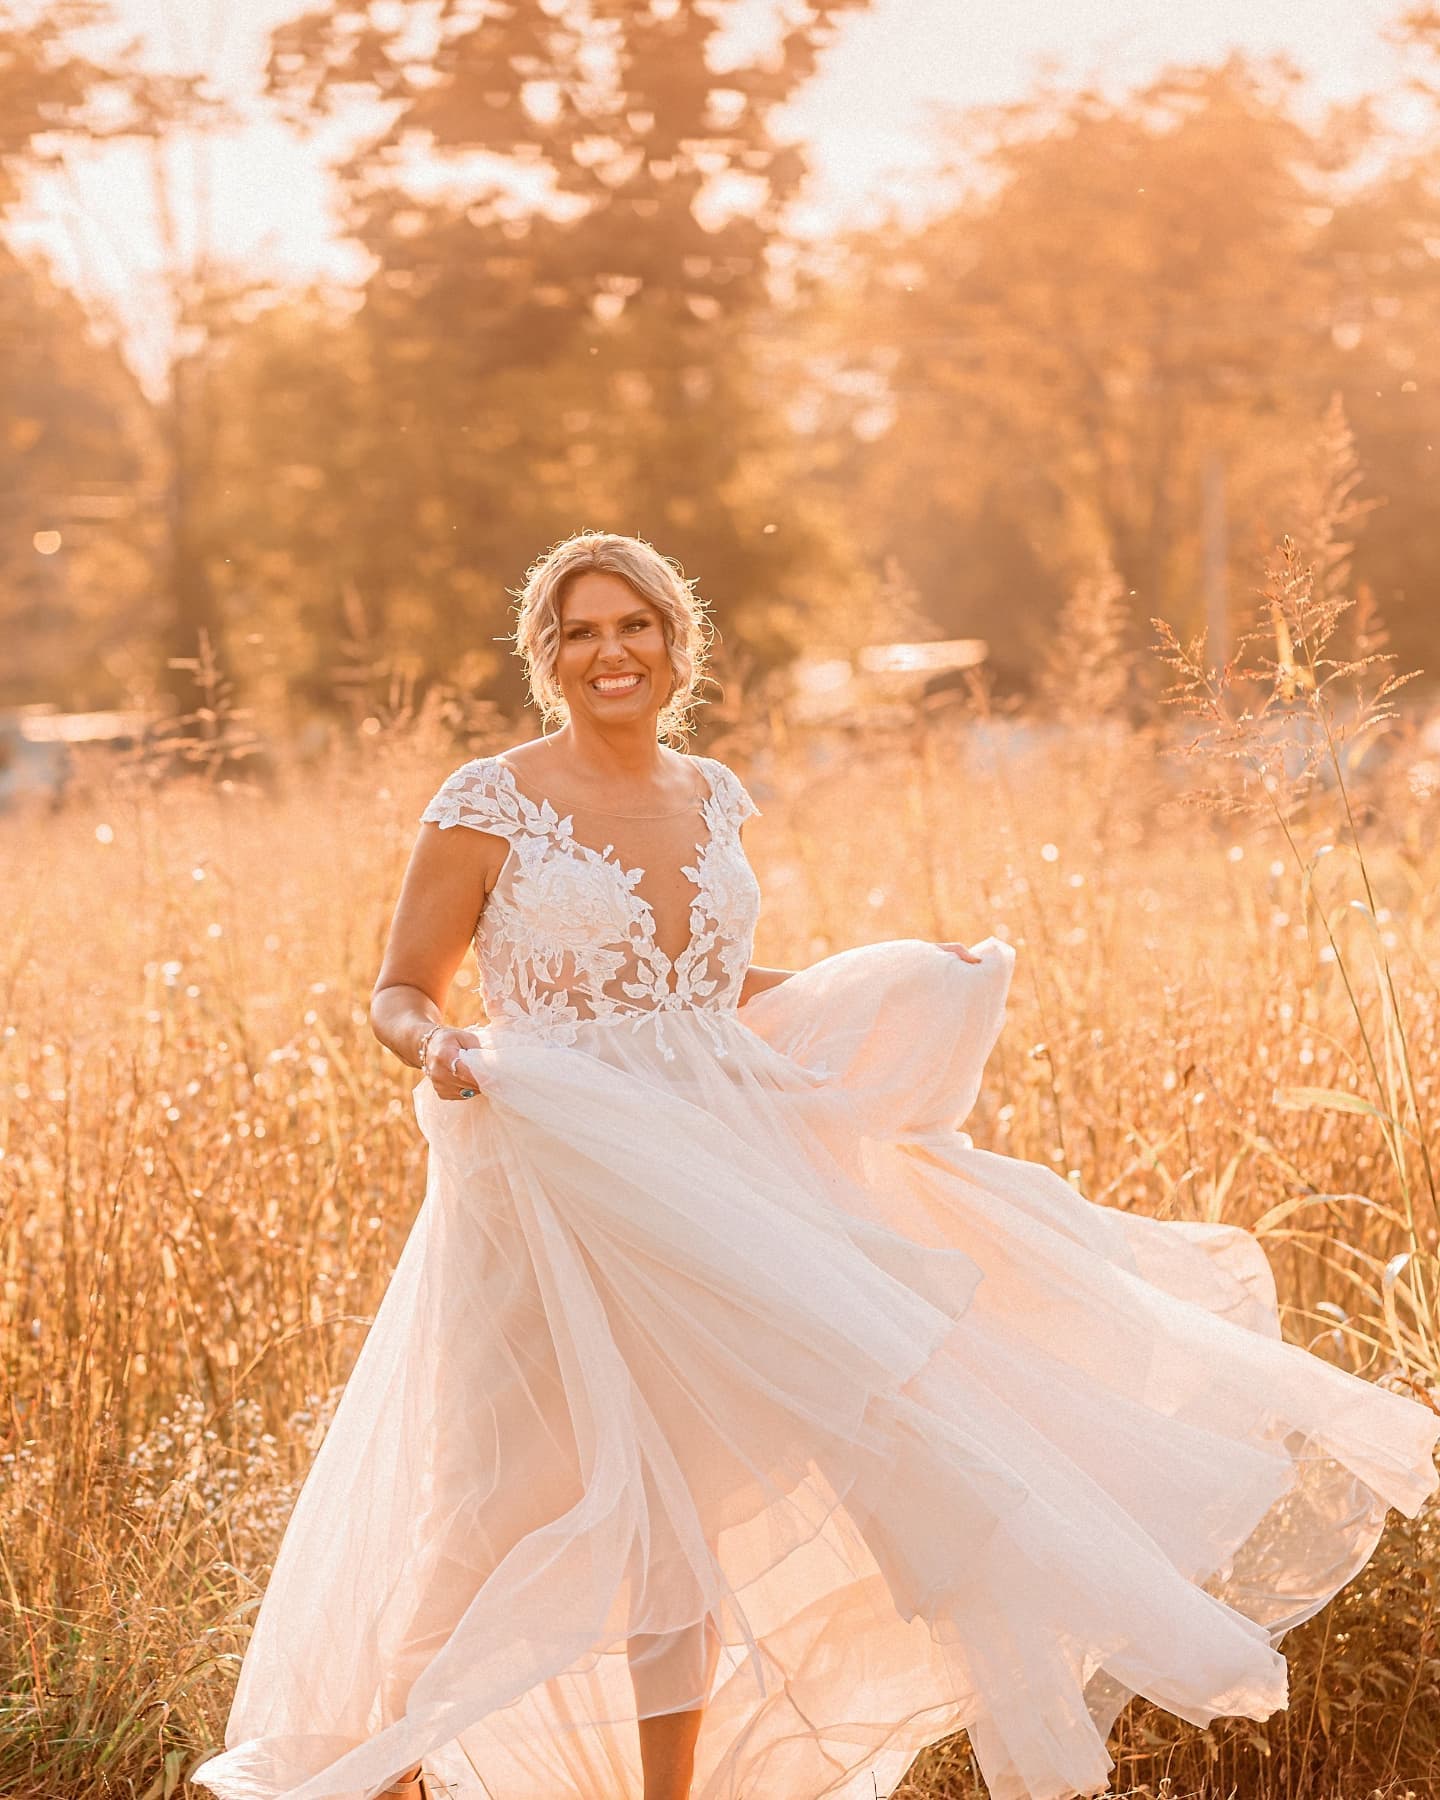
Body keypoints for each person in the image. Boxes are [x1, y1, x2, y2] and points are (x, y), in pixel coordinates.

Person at [193, 531, 1440, 1800]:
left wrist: (896, 985)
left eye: (634, 626)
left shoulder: (713, 793)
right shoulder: (488, 799)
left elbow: (698, 990)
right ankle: (391, 1772)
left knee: (687, 1495)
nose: (609, 651)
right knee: (498, 1493)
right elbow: (401, 988)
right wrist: (439, 1045)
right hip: (550, 1175)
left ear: (678, 647)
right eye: (580, 631)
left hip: (715, 1172)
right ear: (546, 657)